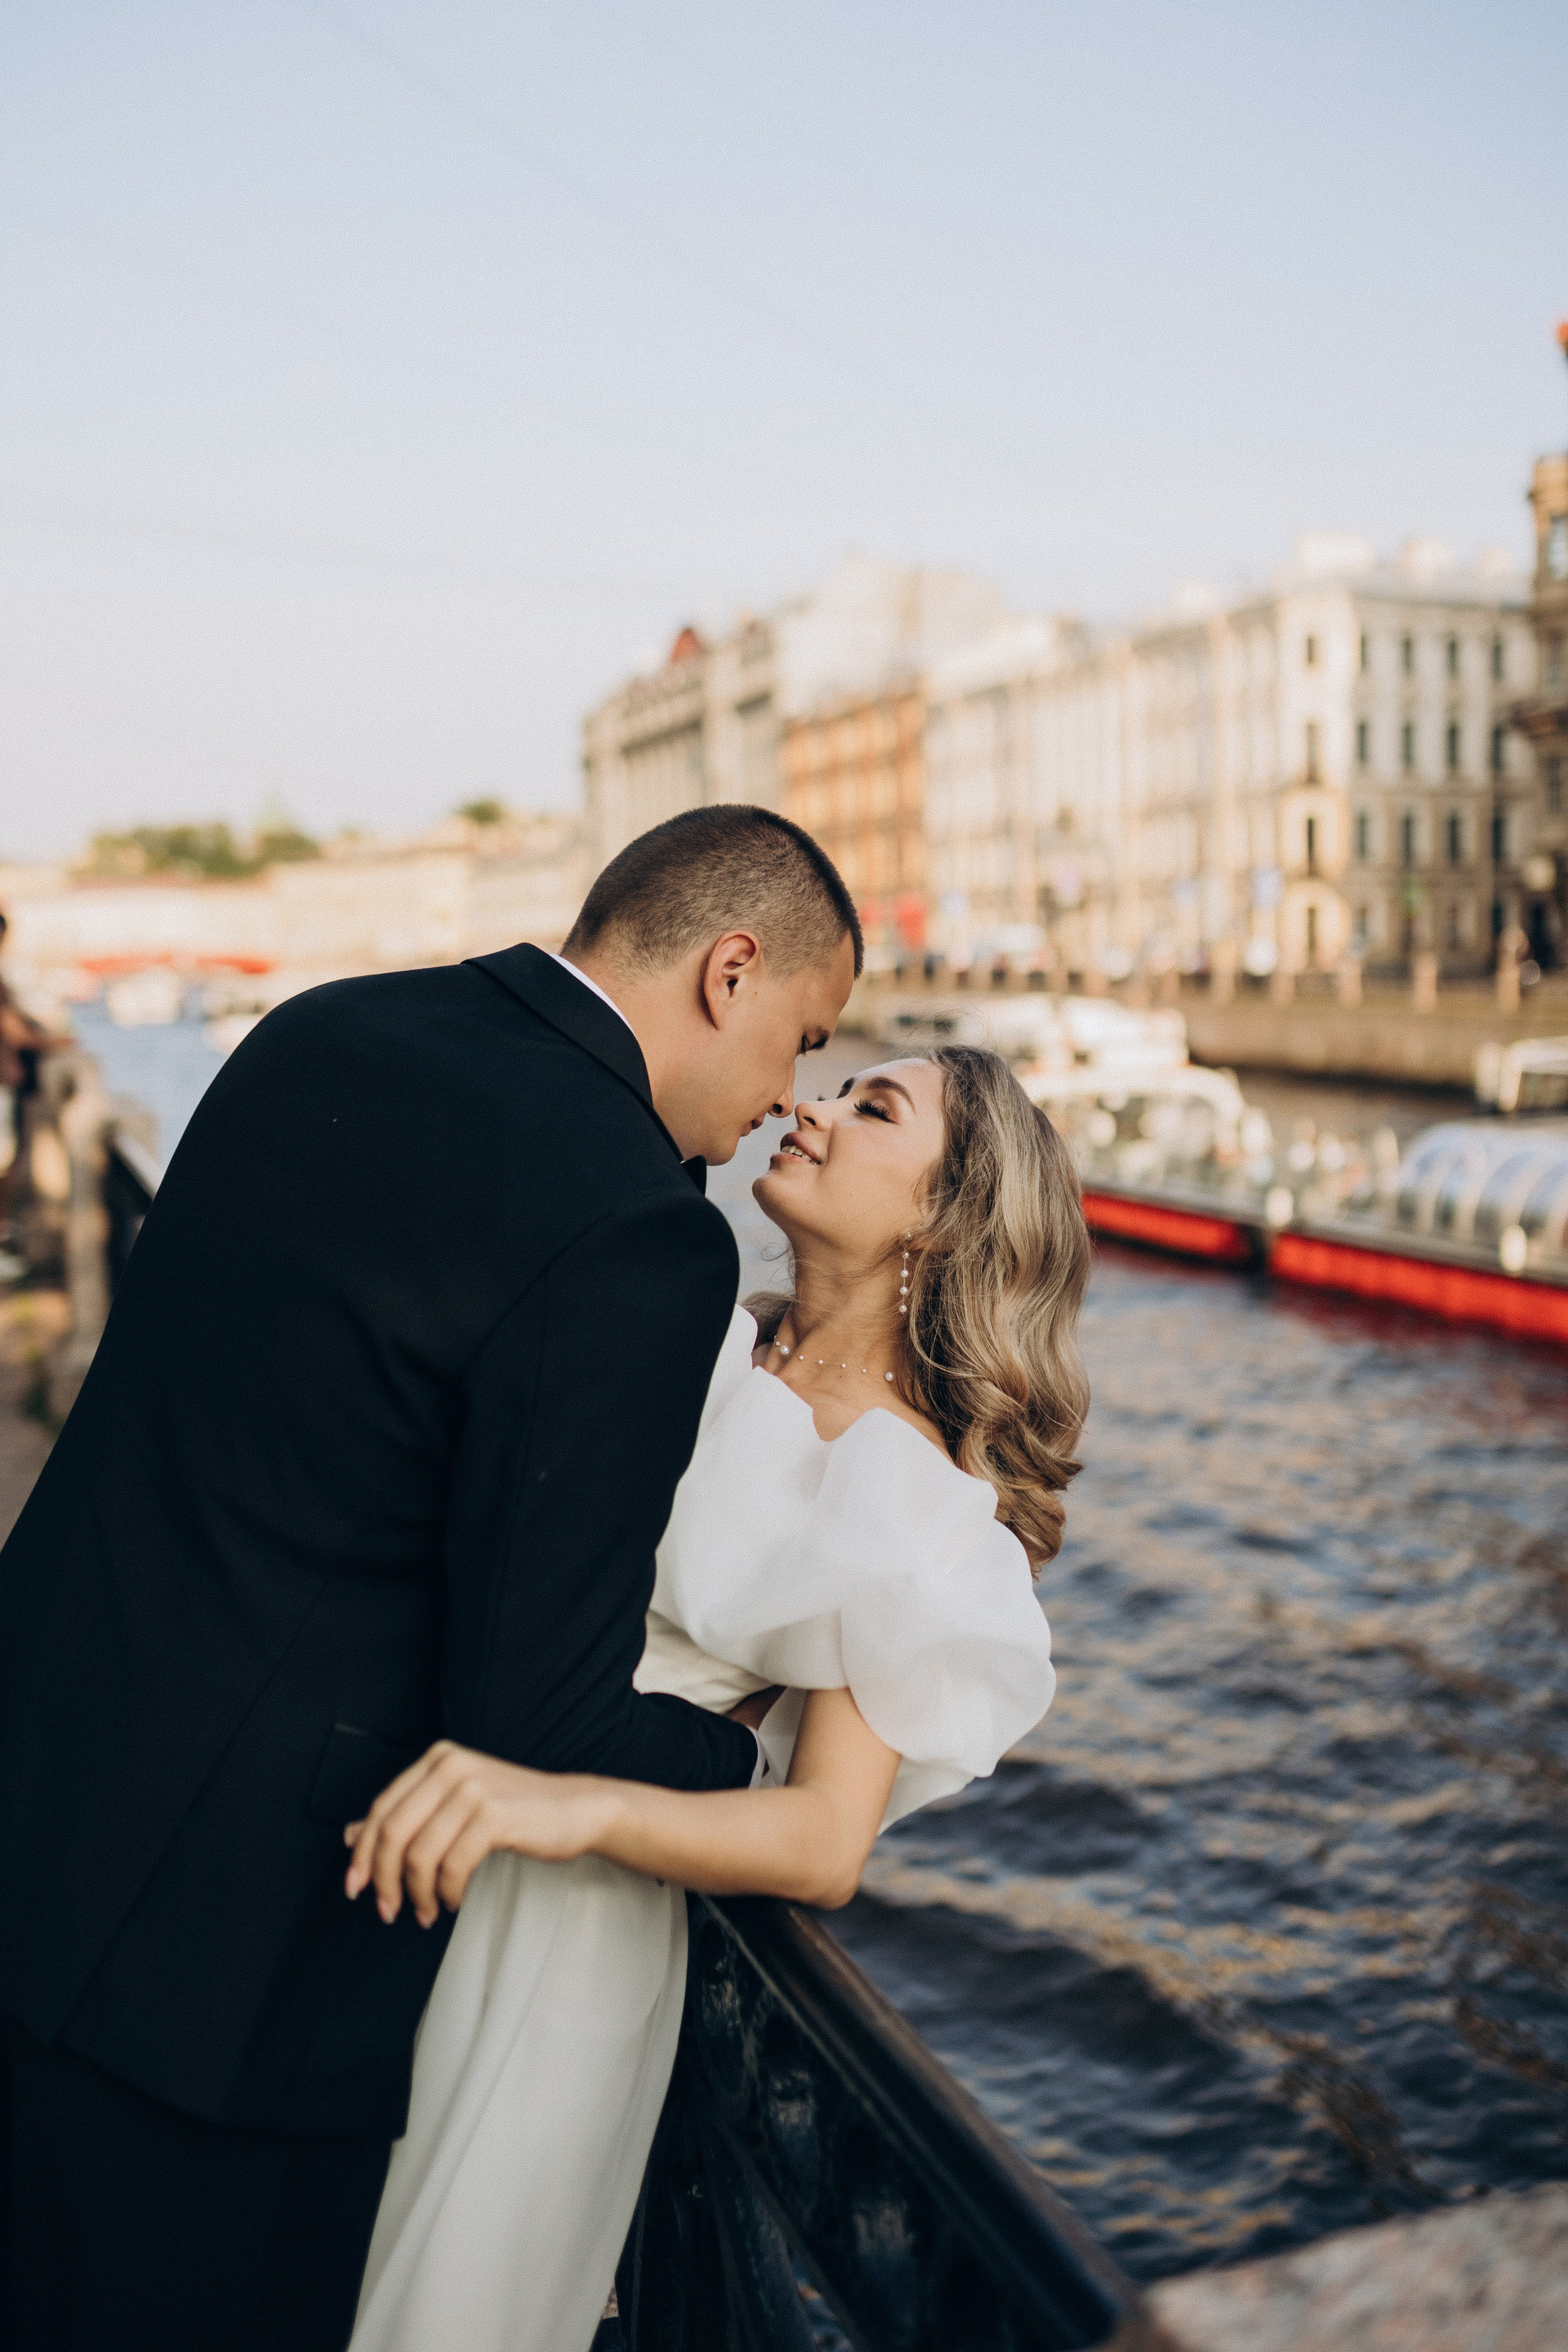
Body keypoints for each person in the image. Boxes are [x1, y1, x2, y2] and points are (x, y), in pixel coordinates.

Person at [0, 807, 860, 2352]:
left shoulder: (322, 1032)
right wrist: (749, 1749)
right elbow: (529, 1709)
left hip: (40, 1788)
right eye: (800, 1041)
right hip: (231, 1978)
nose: (781, 1102)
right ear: (729, 972)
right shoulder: (637, 1230)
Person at [343, 1041, 1091, 2352]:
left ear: (939, 1211)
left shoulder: (900, 1494)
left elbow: (822, 1840)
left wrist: (561, 1809)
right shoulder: (694, 1334)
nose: (810, 1107)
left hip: (562, 1916)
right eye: (833, 1083)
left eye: (873, 1108)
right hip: (403, 1823)